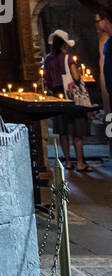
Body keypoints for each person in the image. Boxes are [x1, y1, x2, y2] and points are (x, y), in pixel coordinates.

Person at [43, 29, 93, 173]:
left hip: (57, 97)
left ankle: (69, 162)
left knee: (63, 132)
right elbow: (76, 77)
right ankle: (80, 163)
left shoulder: (48, 59)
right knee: (77, 131)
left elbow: (47, 79)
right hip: (72, 98)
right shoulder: (68, 58)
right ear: (64, 45)